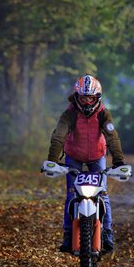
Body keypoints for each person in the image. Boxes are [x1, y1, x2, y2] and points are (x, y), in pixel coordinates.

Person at [46, 74, 126, 253]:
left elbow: (112, 137)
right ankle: (68, 235)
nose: (87, 102)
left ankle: (107, 233)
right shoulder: (69, 114)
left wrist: (118, 161)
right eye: (83, 97)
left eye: (91, 98)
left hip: (97, 157)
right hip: (73, 156)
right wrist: (52, 160)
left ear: (97, 97)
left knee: (103, 194)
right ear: (77, 97)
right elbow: (59, 136)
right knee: (71, 195)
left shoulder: (103, 113)